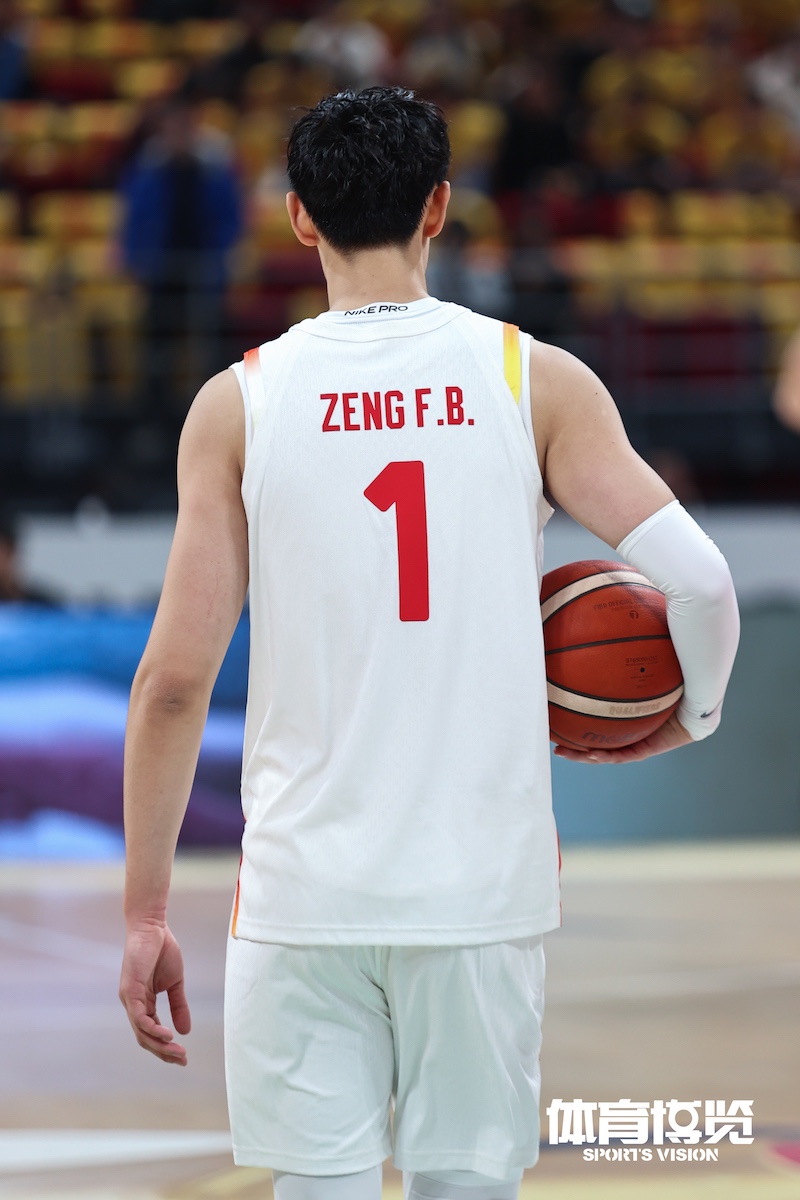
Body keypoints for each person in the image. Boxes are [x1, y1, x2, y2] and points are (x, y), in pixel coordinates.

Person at [119, 87, 740, 1200]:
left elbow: (172, 684)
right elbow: (700, 582)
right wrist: (686, 717)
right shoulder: (534, 379)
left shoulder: (237, 404)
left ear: (299, 217)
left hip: (305, 895)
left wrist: (146, 912)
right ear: (439, 208)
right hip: (481, 890)